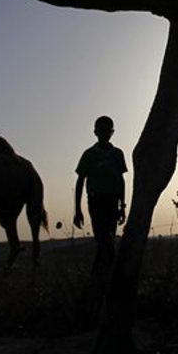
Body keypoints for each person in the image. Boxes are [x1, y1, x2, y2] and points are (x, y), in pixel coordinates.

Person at [73, 115, 129, 285]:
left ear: (112, 132)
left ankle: (99, 277)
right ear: (95, 132)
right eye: (101, 130)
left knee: (108, 238)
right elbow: (80, 181)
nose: (104, 133)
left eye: (108, 130)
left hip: (113, 201)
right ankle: (109, 276)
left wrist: (122, 206)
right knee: (103, 239)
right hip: (96, 202)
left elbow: (121, 180)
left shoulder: (117, 154)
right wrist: (77, 210)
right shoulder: (89, 155)